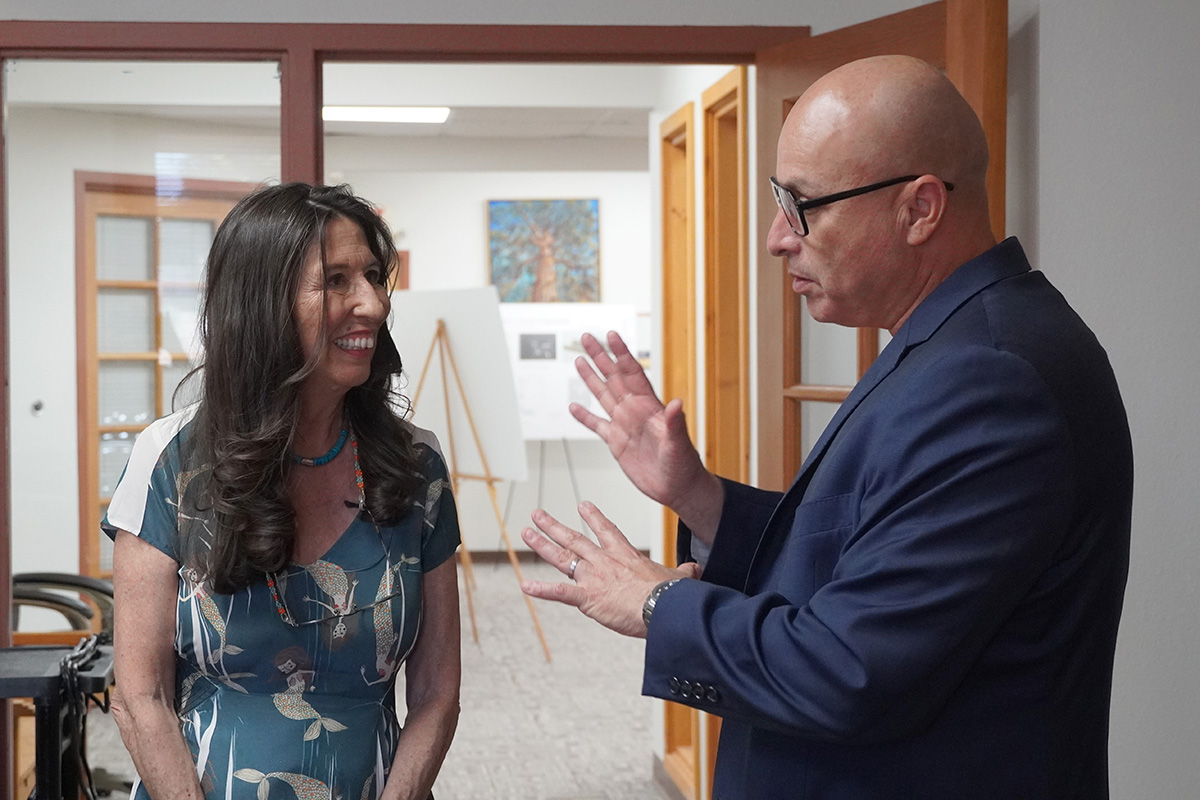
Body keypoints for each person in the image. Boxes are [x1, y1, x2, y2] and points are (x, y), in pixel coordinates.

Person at [521, 55, 1132, 799]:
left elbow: (852, 668)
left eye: (801, 204)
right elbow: (867, 557)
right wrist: (701, 496)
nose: (778, 238)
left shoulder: (993, 378)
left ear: (920, 208)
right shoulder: (952, 342)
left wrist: (657, 603)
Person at [105, 183, 461, 800]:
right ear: (262, 302)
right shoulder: (170, 461)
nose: (372, 304)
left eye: (375, 277)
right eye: (338, 281)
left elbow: (435, 690)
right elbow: (141, 696)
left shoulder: (415, 466)